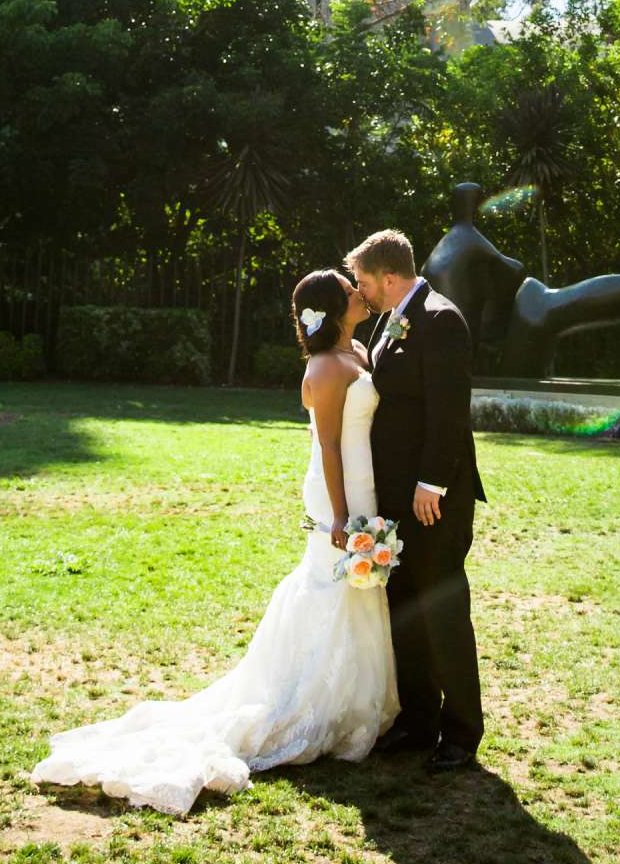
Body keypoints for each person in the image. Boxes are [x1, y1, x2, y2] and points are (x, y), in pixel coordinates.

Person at [29, 269, 397, 817]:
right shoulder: (323, 368)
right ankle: (308, 704)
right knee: (329, 584)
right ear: (331, 307)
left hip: (366, 481)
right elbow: (327, 448)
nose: (357, 293)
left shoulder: (362, 352)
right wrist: (342, 515)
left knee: (362, 588)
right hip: (336, 491)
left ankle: (355, 704)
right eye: (348, 290)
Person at [348, 227, 485, 772]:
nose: (360, 292)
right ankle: (418, 718)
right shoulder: (390, 317)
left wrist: (432, 482)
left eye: (363, 281)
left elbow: (450, 411)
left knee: (443, 610)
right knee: (404, 605)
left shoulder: (441, 319)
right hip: (395, 498)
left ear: (387, 276)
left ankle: (461, 732)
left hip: (434, 499)